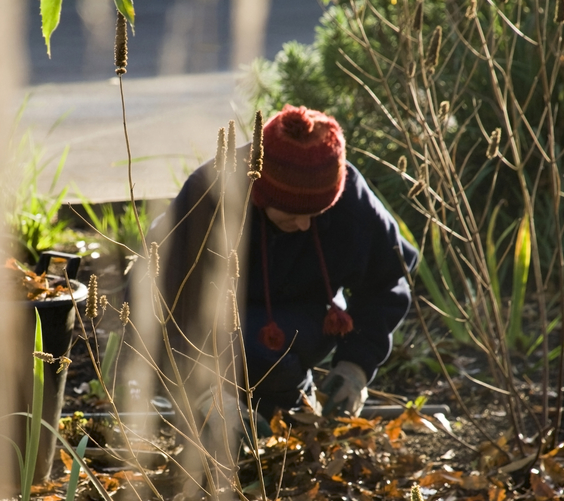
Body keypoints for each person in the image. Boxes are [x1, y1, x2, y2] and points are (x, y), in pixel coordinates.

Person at [142, 104, 418, 446]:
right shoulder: (210, 195)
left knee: (284, 420)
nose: (304, 225)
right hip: (215, 336)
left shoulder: (349, 197)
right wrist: (201, 393)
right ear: (262, 192)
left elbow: (388, 281)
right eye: (292, 213)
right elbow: (154, 298)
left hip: (300, 326)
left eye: (316, 214)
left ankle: (290, 396)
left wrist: (356, 366)